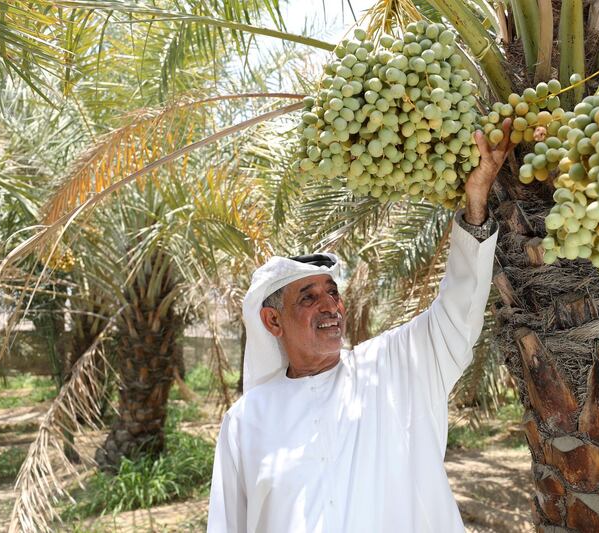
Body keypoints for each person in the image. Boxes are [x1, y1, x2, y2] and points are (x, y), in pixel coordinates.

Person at [207, 120, 514, 532]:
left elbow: (458, 309)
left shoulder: (393, 366)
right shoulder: (246, 421)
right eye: (308, 297)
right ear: (273, 320)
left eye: (332, 292)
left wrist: (476, 203)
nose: (330, 306)